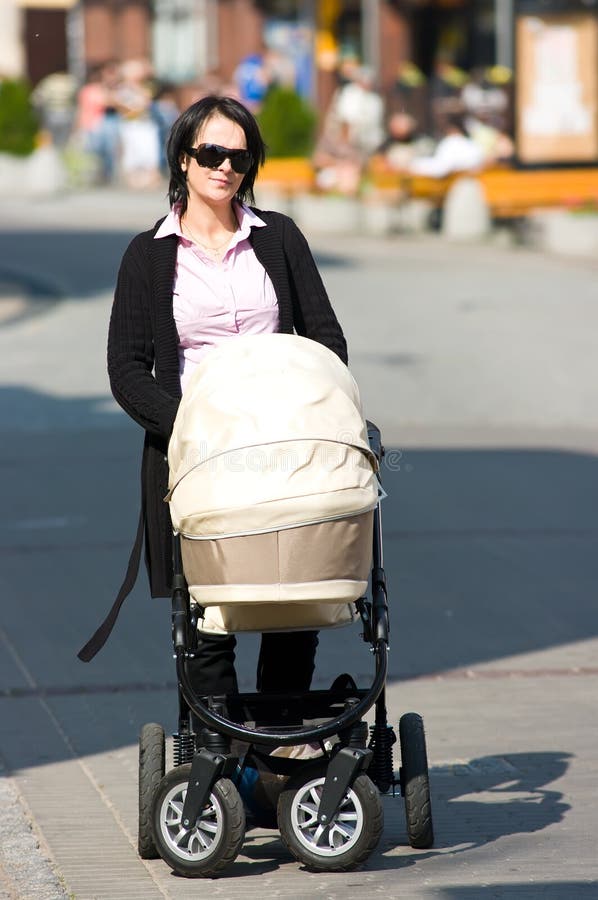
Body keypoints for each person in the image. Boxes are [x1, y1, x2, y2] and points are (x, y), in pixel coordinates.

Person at [86, 96, 348, 705]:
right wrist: (194, 426)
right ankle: (221, 753)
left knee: (293, 592)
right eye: (210, 153)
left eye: (239, 155)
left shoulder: (279, 238)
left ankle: (281, 741)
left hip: (284, 449)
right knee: (208, 616)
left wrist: (305, 409)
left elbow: (326, 339)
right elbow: (126, 370)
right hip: (198, 454)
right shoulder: (147, 255)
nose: (224, 167)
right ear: (182, 159)